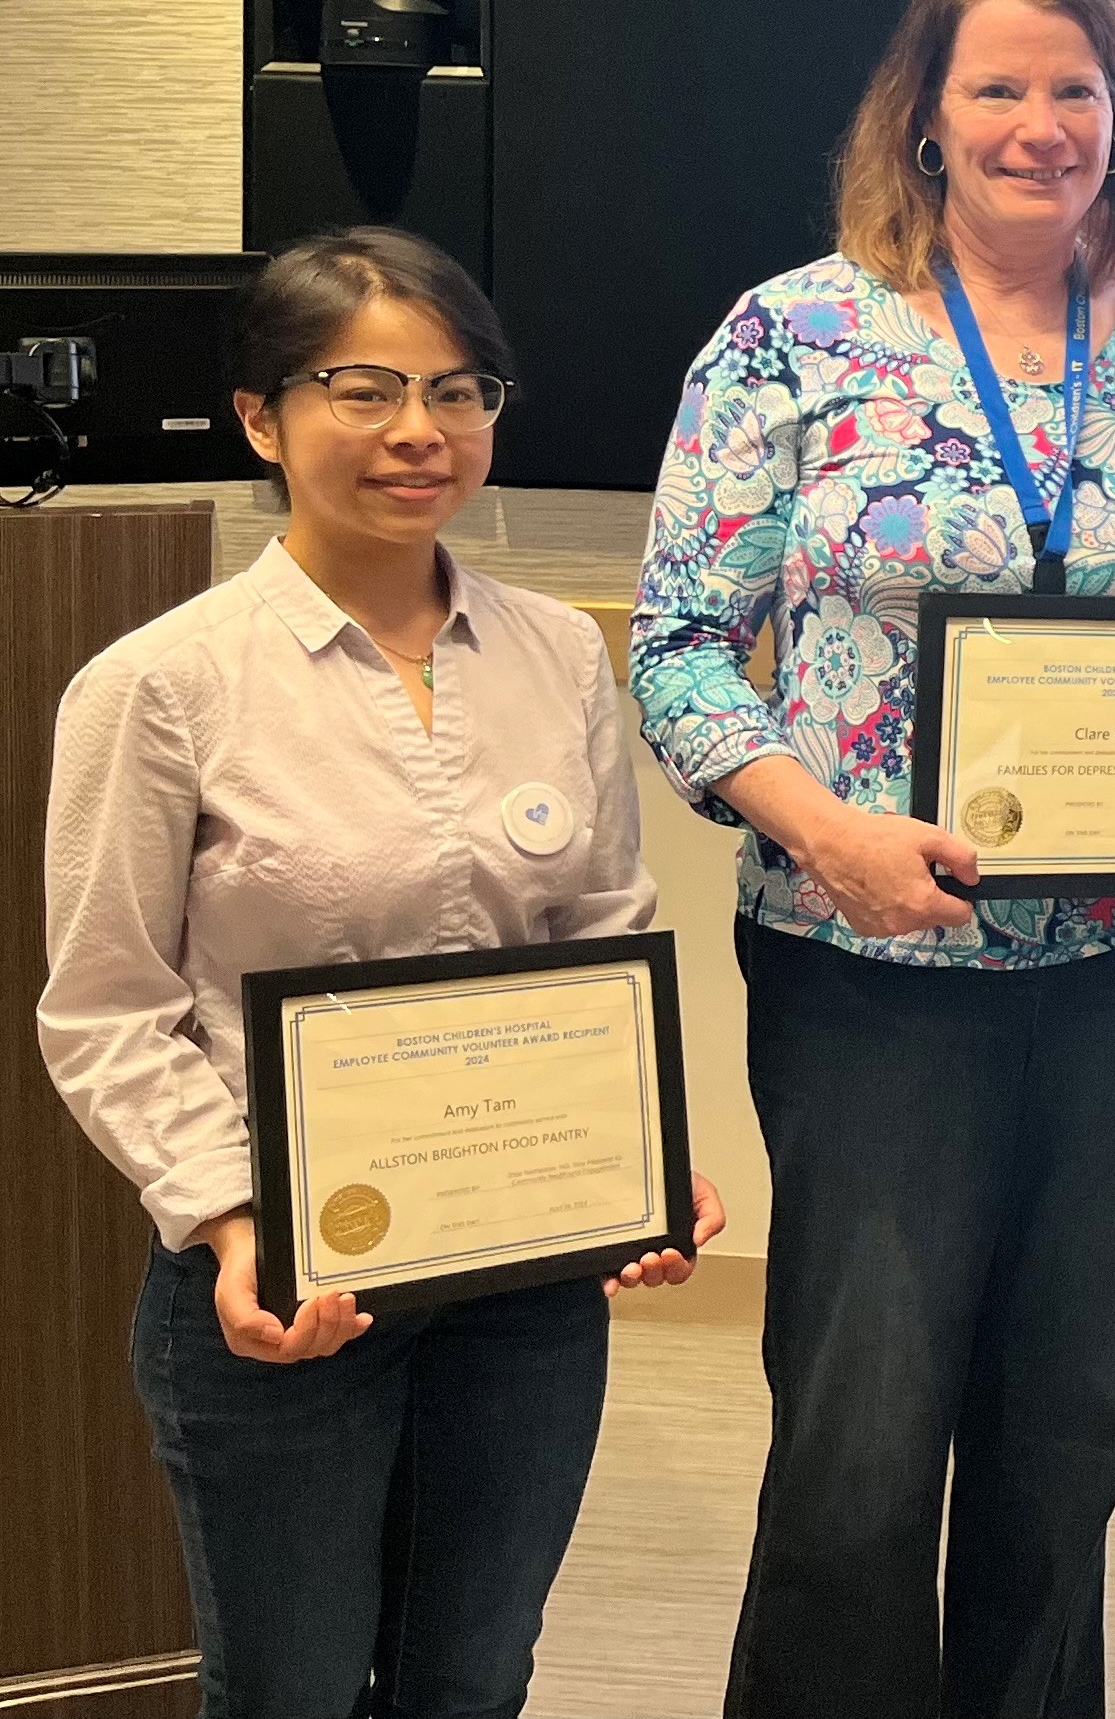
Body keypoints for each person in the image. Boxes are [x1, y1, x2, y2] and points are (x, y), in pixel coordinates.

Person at [632, 0, 1115, 1717]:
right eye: (1002, 85)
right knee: (864, 1446)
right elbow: (678, 646)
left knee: (1071, 1429)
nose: (1043, 124)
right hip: (869, 966)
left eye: (1081, 89)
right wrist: (825, 830)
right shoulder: (794, 330)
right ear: (925, 115)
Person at [38, 227, 721, 1719]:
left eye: (460, 388)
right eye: (363, 388)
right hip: (285, 1281)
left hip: (526, 1287)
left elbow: (600, 933)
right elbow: (106, 1007)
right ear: (261, 417)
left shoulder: (551, 651)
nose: (420, 430)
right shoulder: (160, 685)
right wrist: (227, 1219)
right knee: (284, 1687)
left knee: (471, 1675)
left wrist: (643, 1160)